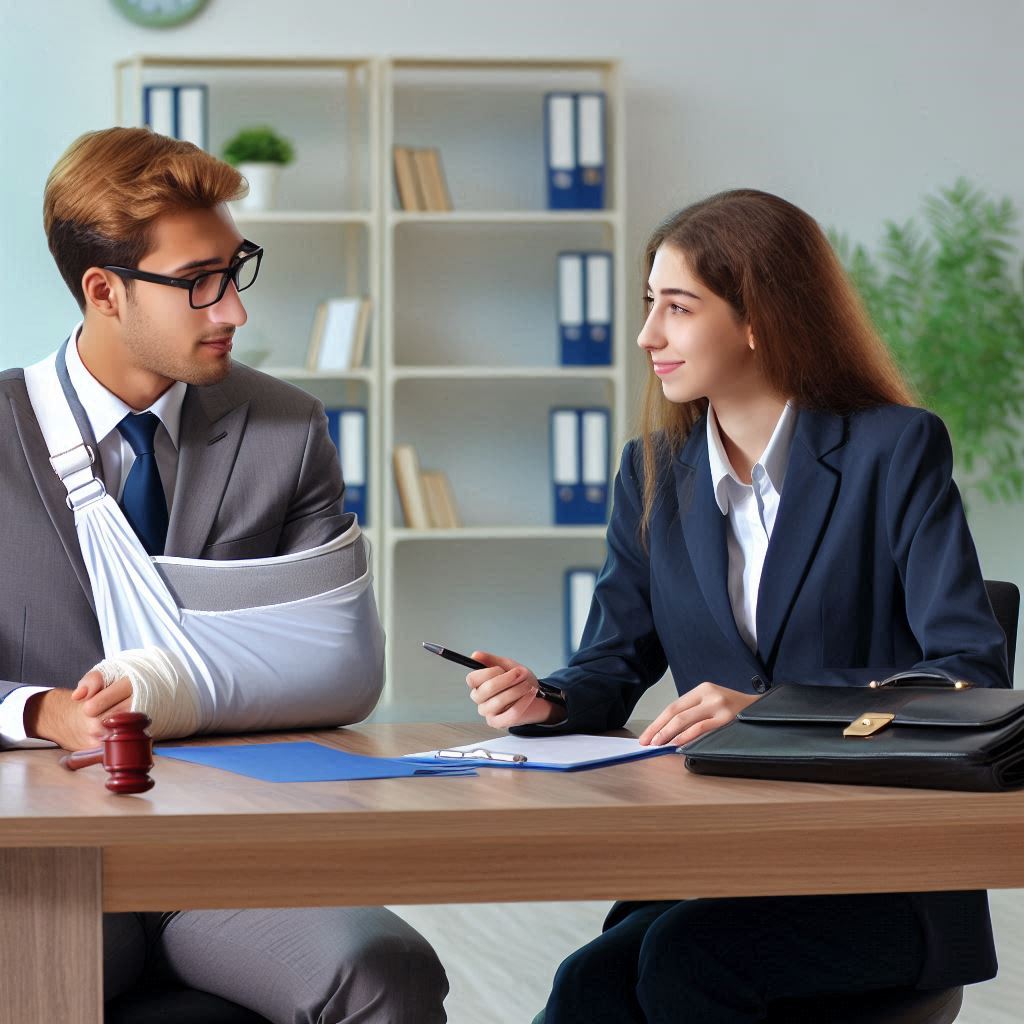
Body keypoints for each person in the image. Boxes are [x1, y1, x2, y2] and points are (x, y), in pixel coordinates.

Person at [464, 189, 1010, 1023]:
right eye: (650, 306)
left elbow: (970, 669)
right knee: (589, 982)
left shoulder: (893, 449)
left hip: (877, 879)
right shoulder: (651, 471)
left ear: (760, 317)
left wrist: (774, 712)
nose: (649, 335)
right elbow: (613, 663)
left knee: (685, 963)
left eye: (677, 308)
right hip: (715, 860)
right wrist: (550, 699)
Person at [0, 127, 446, 1023]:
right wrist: (38, 710)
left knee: (384, 972)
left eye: (234, 270)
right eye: (198, 282)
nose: (232, 311)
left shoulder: (287, 430)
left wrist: (170, 690)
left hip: (227, 851)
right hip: (35, 847)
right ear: (103, 291)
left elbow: (338, 669)